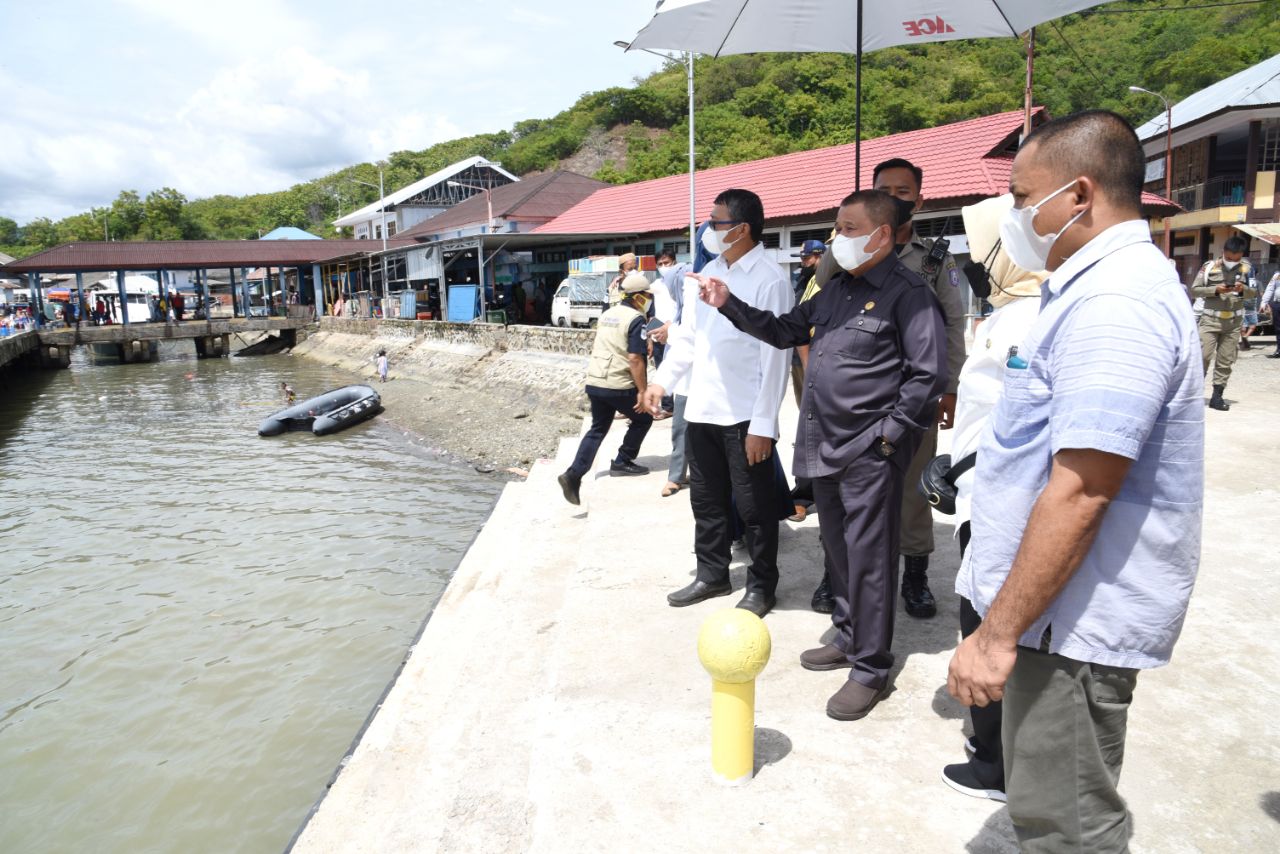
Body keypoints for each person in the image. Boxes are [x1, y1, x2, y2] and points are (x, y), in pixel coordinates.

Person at [947, 110, 1205, 852]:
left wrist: (995, 637)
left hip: (1072, 624)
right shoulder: (1087, 287)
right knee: (1043, 800)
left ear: (1079, 194)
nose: (1015, 217)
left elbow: (1083, 489)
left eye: (1023, 198)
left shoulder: (1114, 304)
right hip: (1053, 614)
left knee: (1068, 823)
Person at [696, 189, 945, 719]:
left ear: (881, 235)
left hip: (870, 451)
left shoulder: (909, 294)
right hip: (824, 444)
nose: (839, 238)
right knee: (839, 551)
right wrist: (728, 303)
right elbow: (786, 331)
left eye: (849, 228)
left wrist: (889, 439)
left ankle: (872, 667)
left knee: (872, 559)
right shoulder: (837, 289)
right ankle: (850, 635)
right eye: (838, 226)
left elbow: (927, 377)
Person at [813, 156, 967, 620]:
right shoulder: (848, 250)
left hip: (911, 398)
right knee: (842, 490)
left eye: (903, 193)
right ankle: (834, 572)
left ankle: (914, 575)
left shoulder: (937, 261)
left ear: (919, 201)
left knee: (913, 491)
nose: (895, 199)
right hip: (854, 400)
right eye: (885, 190)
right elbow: (820, 290)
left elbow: (954, 326)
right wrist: (845, 238)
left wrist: (950, 388)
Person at [936, 193, 1047, 803]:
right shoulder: (1006, 311)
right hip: (978, 486)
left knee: (987, 619)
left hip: (1000, 497)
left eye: (982, 251)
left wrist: (963, 464)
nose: (976, 264)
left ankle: (996, 766)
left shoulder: (1031, 317)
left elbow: (1021, 420)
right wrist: (953, 461)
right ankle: (996, 753)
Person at [643, 190, 793, 618]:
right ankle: (712, 574)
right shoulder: (706, 272)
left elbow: (776, 354)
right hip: (702, 408)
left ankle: (762, 586)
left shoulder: (769, 279)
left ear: (742, 229)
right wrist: (662, 381)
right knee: (706, 500)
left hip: (744, 413)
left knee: (755, 507)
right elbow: (687, 339)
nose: (707, 230)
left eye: (716, 222)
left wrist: (765, 423)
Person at [557, 272, 657, 505]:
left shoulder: (608, 314)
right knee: (644, 418)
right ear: (639, 296)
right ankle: (623, 460)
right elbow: (635, 358)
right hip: (618, 383)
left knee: (598, 428)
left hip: (596, 381)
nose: (649, 300)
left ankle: (573, 474)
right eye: (647, 296)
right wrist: (642, 392)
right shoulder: (636, 319)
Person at [1191, 235, 1257, 410]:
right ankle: (1193, 396)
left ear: (1241, 255)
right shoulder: (1209, 267)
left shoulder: (1247, 268)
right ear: (1223, 252)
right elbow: (1195, 290)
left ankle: (1217, 397)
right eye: (1228, 258)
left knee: (1225, 361)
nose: (1231, 262)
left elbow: (1255, 292)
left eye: (1236, 259)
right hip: (1210, 320)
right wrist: (1215, 289)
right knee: (1202, 357)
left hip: (1233, 323)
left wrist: (1244, 290)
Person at [1263, 271, 1280, 359]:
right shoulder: (1277, 275)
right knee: (1278, 329)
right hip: (1277, 304)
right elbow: (1270, 289)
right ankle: (1279, 350)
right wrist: (1264, 302)